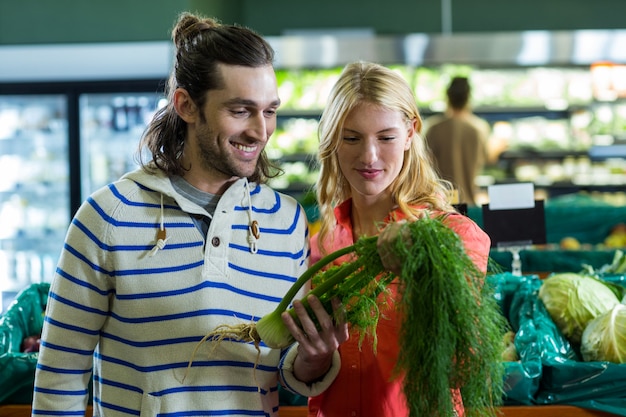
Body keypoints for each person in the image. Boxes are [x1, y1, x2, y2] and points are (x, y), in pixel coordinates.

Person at [31, 12, 348, 416]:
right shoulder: (107, 218)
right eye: (240, 110)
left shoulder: (285, 222)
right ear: (185, 105)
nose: (261, 130)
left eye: (269, 110)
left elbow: (282, 370)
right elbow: (60, 374)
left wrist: (314, 358)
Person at [308, 61, 491, 417]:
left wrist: (419, 276)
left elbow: (464, 368)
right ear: (332, 140)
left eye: (386, 137)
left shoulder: (453, 236)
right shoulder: (323, 242)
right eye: (351, 137)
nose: (369, 156)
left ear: (411, 132)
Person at [424, 76, 491, 206]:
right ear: (468, 98)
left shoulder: (433, 128)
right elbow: (486, 159)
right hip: (469, 201)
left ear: (447, 97)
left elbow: (424, 164)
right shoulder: (479, 128)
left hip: (441, 203)